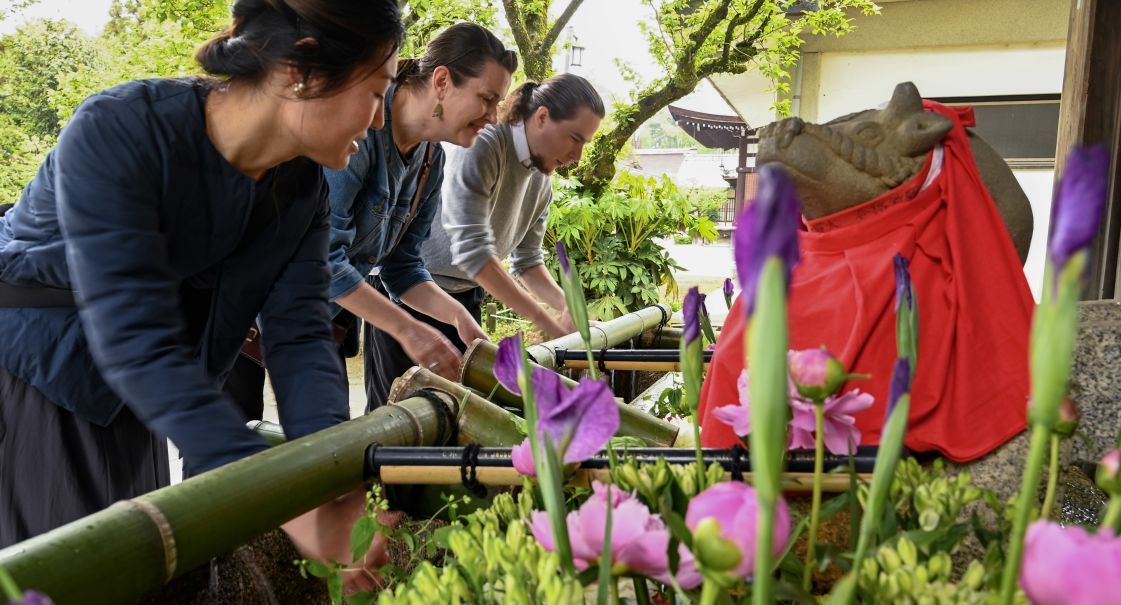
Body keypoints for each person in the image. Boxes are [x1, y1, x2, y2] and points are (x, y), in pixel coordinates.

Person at [0, 0, 400, 591]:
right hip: (42, 377)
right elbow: (135, 337)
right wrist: (286, 507)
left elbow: (300, 336)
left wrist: (327, 481)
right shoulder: (120, 128)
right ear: (302, 71)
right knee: (79, 577)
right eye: (375, 93)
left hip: (147, 395)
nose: (377, 121)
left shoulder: (302, 189)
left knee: (154, 569)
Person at [321, 23, 518, 411]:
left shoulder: (432, 159)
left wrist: (461, 319)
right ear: (442, 81)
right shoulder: (360, 128)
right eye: (487, 99)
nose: (494, 117)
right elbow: (322, 257)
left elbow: (403, 267)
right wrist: (406, 329)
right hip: (245, 315)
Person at [395, 74, 604, 395]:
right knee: (398, 412)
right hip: (411, 289)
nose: (577, 156)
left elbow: (528, 262)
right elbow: (474, 252)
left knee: (460, 408)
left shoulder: (541, 184)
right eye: (574, 138)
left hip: (466, 296)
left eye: (584, 144)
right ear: (542, 117)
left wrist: (565, 306)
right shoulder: (485, 143)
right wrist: (541, 318)